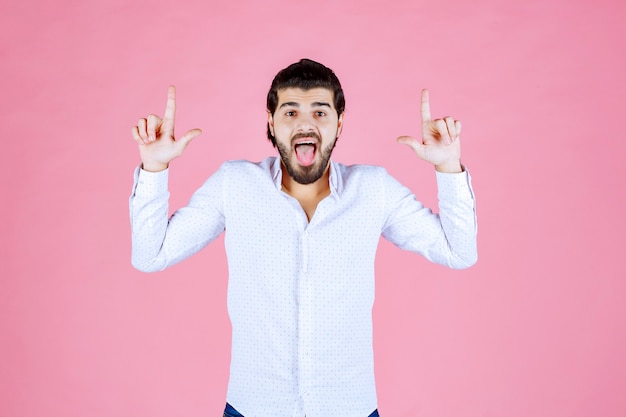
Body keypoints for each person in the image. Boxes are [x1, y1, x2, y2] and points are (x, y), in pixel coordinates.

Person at [130, 58, 477, 417]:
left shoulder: (374, 189)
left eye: (321, 113)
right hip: (253, 407)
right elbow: (150, 255)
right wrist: (155, 168)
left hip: (351, 408)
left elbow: (459, 251)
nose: (306, 123)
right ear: (271, 121)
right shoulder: (233, 185)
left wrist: (447, 166)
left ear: (340, 123)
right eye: (291, 113)